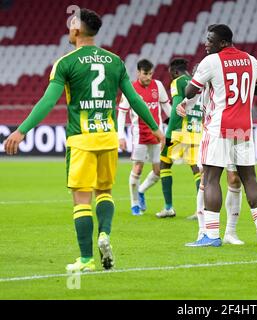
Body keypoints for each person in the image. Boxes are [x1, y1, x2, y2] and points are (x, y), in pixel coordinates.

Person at [3, 8, 165, 272]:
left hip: (81, 139)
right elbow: (133, 99)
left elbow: (47, 101)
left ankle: (87, 259)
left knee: (81, 201)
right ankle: (104, 234)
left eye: (71, 24)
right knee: (105, 192)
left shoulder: (66, 62)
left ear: (77, 30)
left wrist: (22, 130)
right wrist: (156, 127)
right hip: (108, 138)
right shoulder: (115, 61)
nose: (69, 28)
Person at [179, 57, 257, 245]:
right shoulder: (236, 64)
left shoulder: (226, 64)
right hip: (229, 129)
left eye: (210, 41)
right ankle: (203, 231)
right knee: (216, 178)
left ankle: (229, 232)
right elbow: (191, 98)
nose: (207, 45)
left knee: (230, 179)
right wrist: (184, 105)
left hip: (222, 130)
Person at [181, 24, 257, 247]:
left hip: (219, 127)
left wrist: (211, 83)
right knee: (249, 178)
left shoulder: (211, 62)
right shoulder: (250, 59)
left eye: (210, 40)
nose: (206, 43)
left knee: (211, 178)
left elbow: (189, 91)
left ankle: (211, 236)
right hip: (243, 127)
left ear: (222, 43)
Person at [117, 59, 171, 216]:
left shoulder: (158, 86)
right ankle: (134, 205)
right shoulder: (131, 88)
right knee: (138, 168)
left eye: (151, 73)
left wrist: (177, 122)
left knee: (158, 171)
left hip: (157, 135)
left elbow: (166, 107)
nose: (149, 77)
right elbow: (122, 113)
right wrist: (120, 136)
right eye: (146, 74)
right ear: (138, 73)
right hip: (139, 136)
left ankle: (140, 191)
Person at [155, 58, 203, 218]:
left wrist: (167, 136)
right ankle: (200, 209)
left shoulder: (178, 82)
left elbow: (177, 108)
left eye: (171, 74)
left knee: (164, 164)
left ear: (175, 72)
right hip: (196, 129)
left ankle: (168, 207)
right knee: (196, 169)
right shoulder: (197, 81)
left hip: (179, 131)